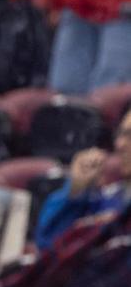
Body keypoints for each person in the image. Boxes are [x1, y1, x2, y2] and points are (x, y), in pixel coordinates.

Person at [35, 106, 131, 250]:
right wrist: (76, 190)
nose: (120, 144)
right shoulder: (109, 199)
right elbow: (49, 245)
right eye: (120, 134)